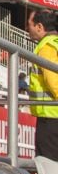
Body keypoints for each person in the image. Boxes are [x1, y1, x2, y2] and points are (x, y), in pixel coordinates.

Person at [27, 9, 58, 160]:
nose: (28, 29)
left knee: (48, 165)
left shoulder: (46, 47)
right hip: (52, 116)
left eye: (30, 25)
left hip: (51, 117)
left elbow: (54, 82)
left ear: (39, 26)